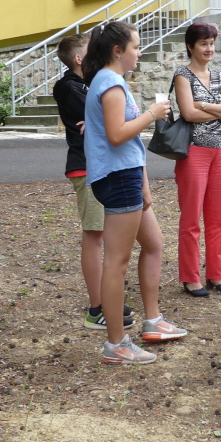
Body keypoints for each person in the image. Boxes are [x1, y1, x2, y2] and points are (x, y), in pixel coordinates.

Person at [83, 21, 187, 365]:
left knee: (154, 243)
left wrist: (144, 183)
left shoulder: (111, 81)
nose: (139, 53)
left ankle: (153, 321)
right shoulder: (110, 83)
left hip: (127, 175)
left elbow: (127, 145)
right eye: (136, 47)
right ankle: (116, 344)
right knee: (117, 262)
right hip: (118, 178)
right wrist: (152, 114)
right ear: (118, 51)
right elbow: (117, 135)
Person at [53, 34, 135, 331]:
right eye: (90, 50)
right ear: (79, 58)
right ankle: (97, 308)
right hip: (87, 167)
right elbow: (101, 117)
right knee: (94, 236)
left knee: (103, 236)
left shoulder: (89, 83)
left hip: (99, 166)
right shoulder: (69, 87)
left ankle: (107, 301)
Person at [173, 23, 221, 297]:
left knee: (219, 218)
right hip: (193, 152)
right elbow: (188, 114)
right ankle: (190, 278)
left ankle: (216, 275)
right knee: (191, 219)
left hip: (219, 151)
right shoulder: (183, 75)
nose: (209, 48)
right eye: (203, 44)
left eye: (212, 43)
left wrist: (204, 105)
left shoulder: (220, 74)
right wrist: (219, 111)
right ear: (190, 46)